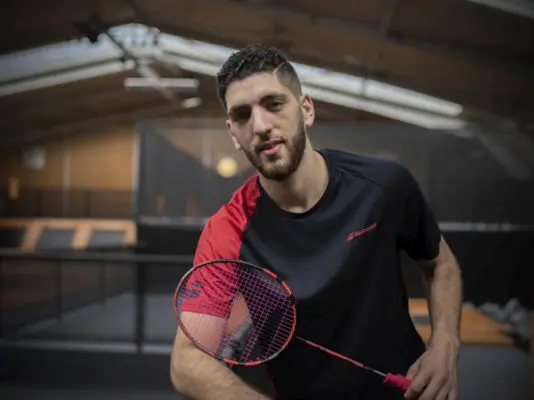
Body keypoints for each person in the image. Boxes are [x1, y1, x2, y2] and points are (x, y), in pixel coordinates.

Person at [170, 43, 463, 400]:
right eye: (243, 115)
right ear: (233, 133)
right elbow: (186, 362)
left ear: (306, 110)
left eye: (274, 104)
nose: (260, 125)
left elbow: (440, 264)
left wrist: (445, 344)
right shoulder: (226, 231)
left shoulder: (384, 186)